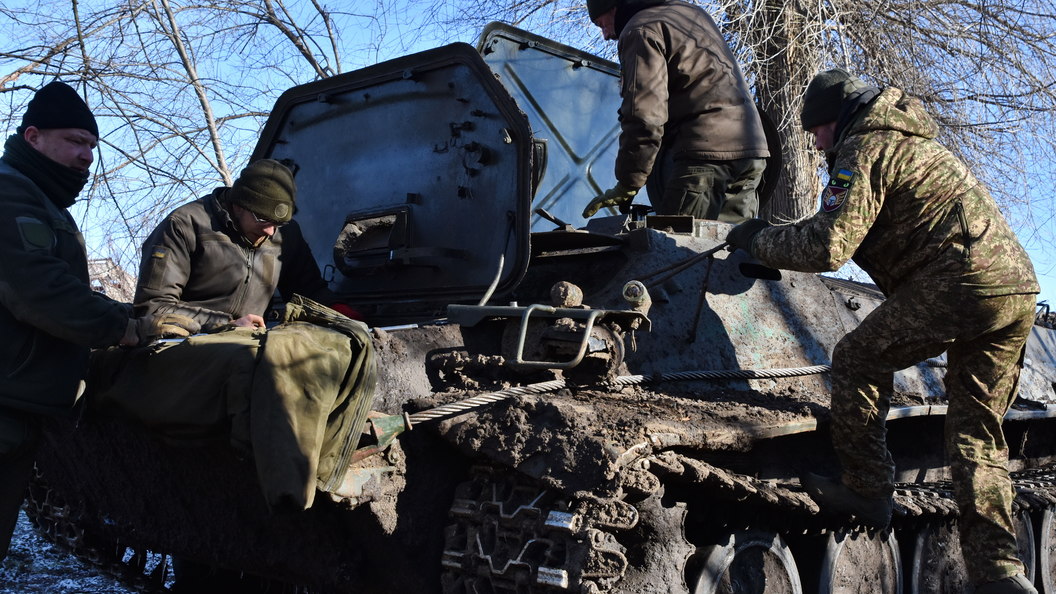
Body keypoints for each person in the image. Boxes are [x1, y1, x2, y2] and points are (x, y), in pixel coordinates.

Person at [725, 69, 1039, 594]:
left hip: (960, 284)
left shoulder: (864, 145)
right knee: (977, 438)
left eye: (819, 130)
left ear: (839, 119)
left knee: (857, 358)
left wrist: (757, 239)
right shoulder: (910, 142)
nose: (817, 142)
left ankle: (869, 487)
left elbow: (829, 246)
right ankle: (1002, 576)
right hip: (1013, 290)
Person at [0, 81, 196, 559]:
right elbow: (39, 290)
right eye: (75, 141)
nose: (87, 155)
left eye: (92, 145)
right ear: (33, 137)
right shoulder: (9, 193)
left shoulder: (41, 201)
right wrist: (127, 326)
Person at [581, 0, 770, 222]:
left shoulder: (640, 29)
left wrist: (628, 182)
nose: (604, 35)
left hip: (705, 157)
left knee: (675, 250)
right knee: (731, 250)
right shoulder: (690, 13)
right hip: (753, 151)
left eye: (600, 23)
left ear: (612, 7)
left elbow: (644, 115)